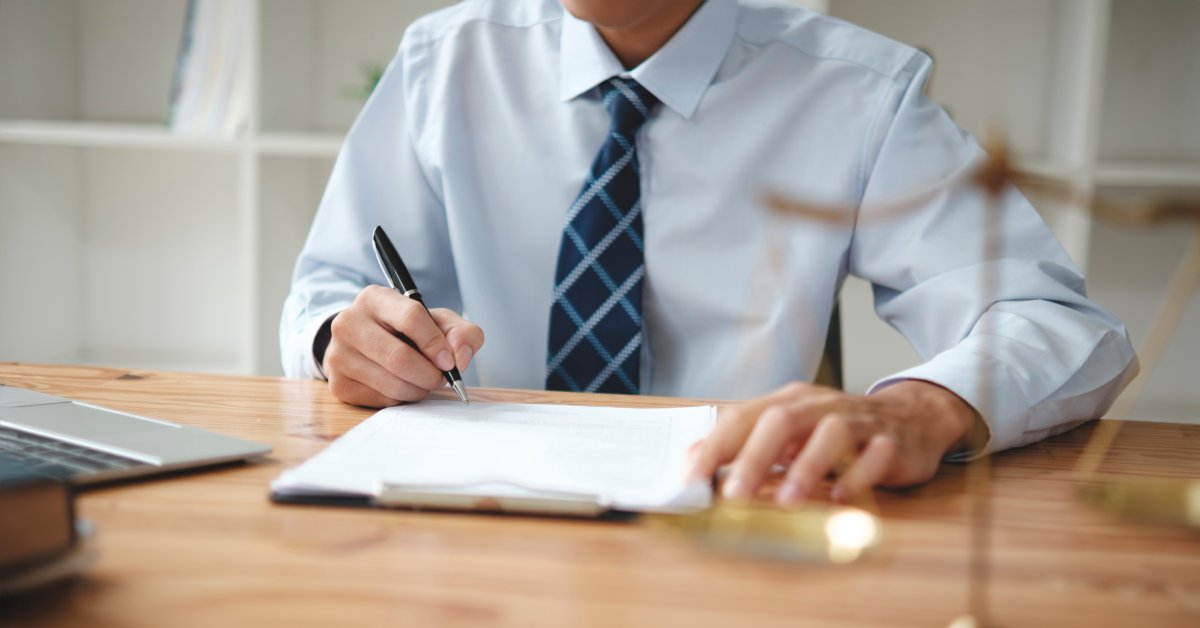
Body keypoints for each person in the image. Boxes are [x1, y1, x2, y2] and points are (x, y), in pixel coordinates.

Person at [280, 0, 1138, 506]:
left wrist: (920, 409)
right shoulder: (447, 58)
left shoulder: (858, 91)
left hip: (740, 515)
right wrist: (339, 339)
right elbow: (331, 285)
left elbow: (1055, 322)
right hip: (473, 511)